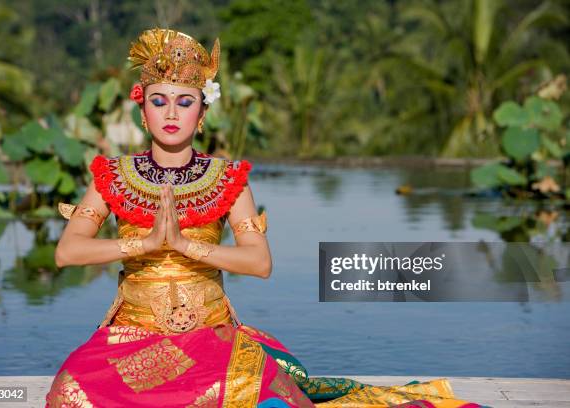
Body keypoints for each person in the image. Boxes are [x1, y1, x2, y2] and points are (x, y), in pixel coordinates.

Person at [45, 28, 485, 408]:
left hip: (208, 335)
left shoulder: (228, 179)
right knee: (68, 394)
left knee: (266, 399)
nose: (172, 113)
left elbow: (260, 263)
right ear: (143, 112)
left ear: (202, 114)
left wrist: (184, 245)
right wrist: (144, 244)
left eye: (185, 101)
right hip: (129, 338)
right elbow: (67, 252)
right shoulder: (112, 177)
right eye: (160, 101)